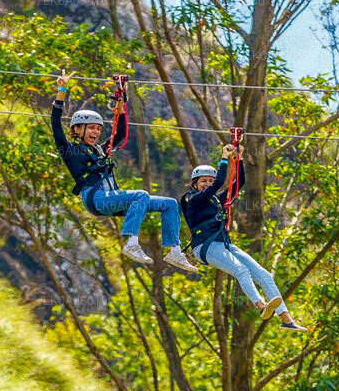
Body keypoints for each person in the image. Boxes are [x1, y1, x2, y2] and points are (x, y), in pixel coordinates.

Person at [51, 73, 197, 273]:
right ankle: (131, 243)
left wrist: (121, 104)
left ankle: (174, 250)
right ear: (77, 129)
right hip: (96, 198)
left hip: (111, 198)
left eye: (97, 129)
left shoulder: (101, 150)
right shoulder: (71, 151)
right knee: (141, 194)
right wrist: (61, 92)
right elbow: (55, 125)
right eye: (91, 128)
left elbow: (119, 136)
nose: (95, 132)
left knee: (169, 204)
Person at [180, 144, 305, 331]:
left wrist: (238, 159)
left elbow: (238, 183)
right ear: (195, 184)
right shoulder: (193, 200)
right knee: (241, 271)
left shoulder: (214, 200)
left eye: (209, 180)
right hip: (205, 247)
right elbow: (219, 182)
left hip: (223, 244)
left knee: (264, 275)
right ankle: (261, 306)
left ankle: (286, 320)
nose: (206, 184)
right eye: (203, 181)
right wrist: (224, 157)